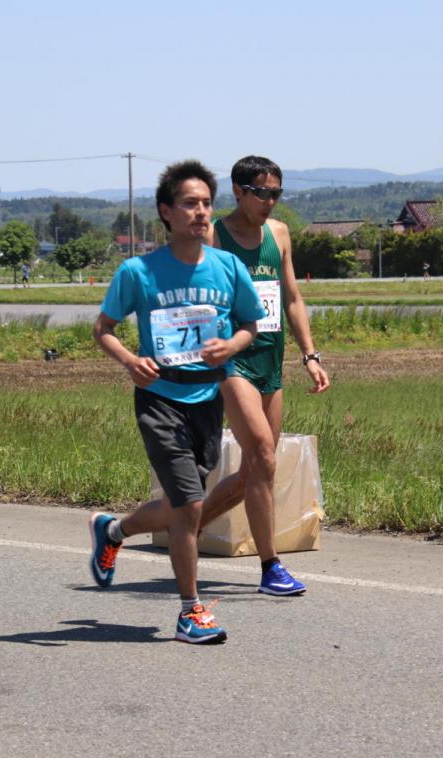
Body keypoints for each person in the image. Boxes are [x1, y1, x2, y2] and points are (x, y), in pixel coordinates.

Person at [92, 156, 330, 599]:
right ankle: (269, 566)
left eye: (277, 193)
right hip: (225, 366)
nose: (270, 201)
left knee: (257, 470)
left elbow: (291, 298)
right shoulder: (213, 236)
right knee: (261, 454)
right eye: (261, 192)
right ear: (238, 192)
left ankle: (135, 528)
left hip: (266, 356)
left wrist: (310, 355)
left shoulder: (278, 235)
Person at [87, 160, 263, 644]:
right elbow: (103, 329)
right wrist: (129, 360)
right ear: (166, 212)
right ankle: (191, 611)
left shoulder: (227, 267)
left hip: (208, 396)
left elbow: (251, 323)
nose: (201, 212)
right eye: (189, 203)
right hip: (159, 397)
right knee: (188, 507)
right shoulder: (138, 272)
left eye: (206, 203)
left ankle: (114, 532)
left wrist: (232, 346)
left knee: (184, 504)